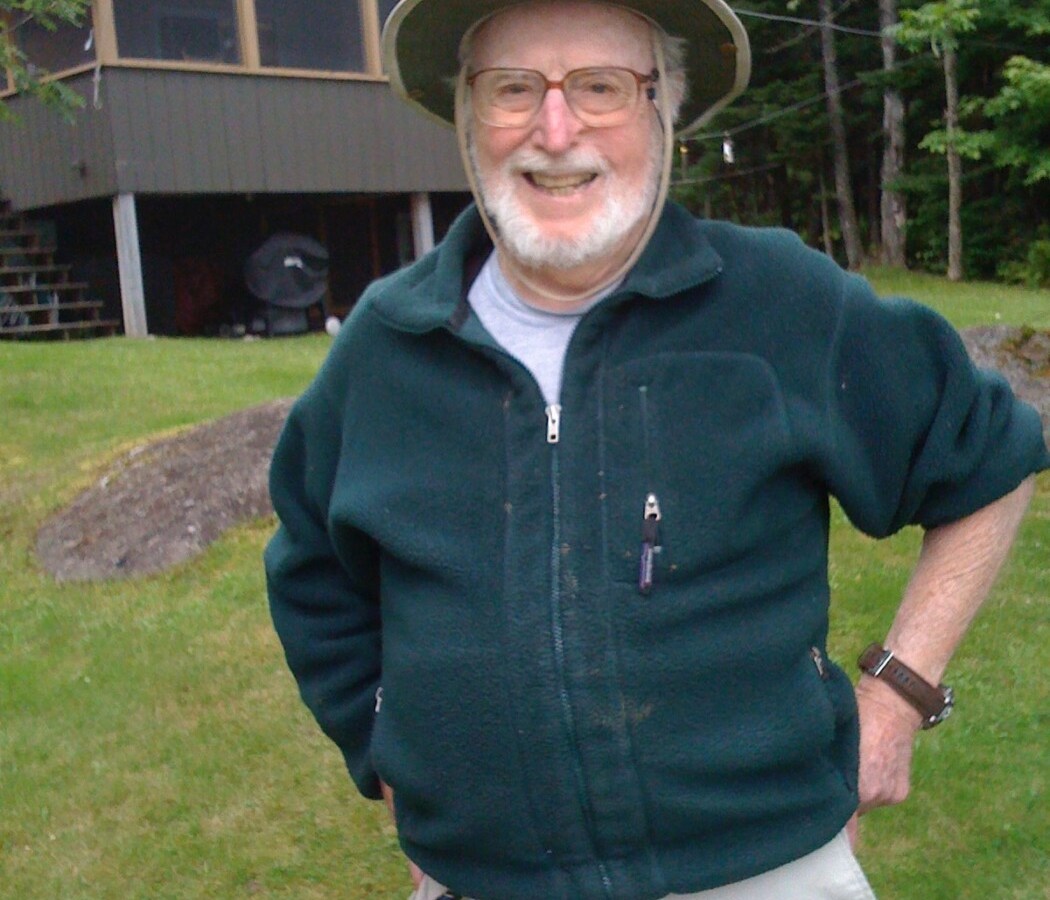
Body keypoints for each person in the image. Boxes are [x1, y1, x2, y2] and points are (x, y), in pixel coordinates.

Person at [264, 1, 1049, 897]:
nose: (555, 130)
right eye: (512, 89)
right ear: (468, 114)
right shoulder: (386, 346)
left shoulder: (778, 300)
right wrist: (390, 754)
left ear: (664, 106)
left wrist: (900, 691)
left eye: (600, 87)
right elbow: (312, 572)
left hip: (767, 870)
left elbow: (989, 462)